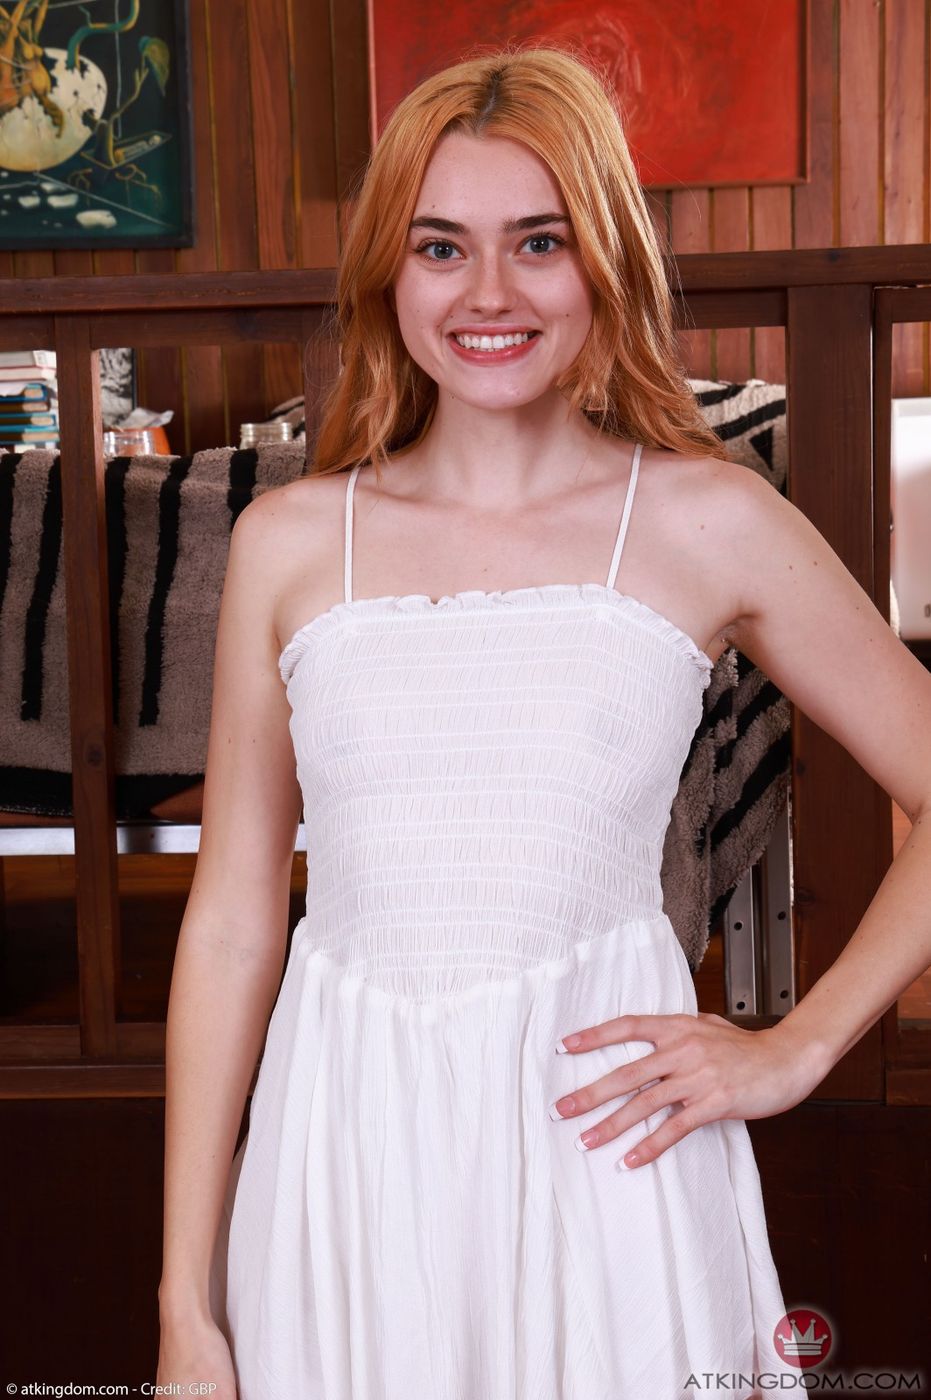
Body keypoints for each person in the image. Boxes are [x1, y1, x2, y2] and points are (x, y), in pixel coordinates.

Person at [156, 45, 931, 1400]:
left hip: (607, 1159)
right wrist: (184, 1299)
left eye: (539, 241)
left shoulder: (707, 518)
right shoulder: (291, 542)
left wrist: (797, 1048)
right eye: (441, 247)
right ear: (390, 273)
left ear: (604, 261)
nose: (489, 294)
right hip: (345, 1154)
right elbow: (229, 921)